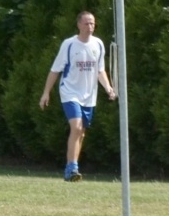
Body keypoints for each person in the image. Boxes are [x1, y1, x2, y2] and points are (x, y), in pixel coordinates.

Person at [39, 11, 117, 182]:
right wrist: (46, 92)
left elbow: (100, 70)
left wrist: (108, 87)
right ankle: (72, 168)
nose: (90, 26)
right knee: (76, 127)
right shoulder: (69, 44)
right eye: (87, 23)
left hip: (89, 96)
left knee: (81, 133)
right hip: (70, 92)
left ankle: (72, 168)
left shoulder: (98, 44)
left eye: (92, 23)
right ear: (79, 25)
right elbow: (55, 70)